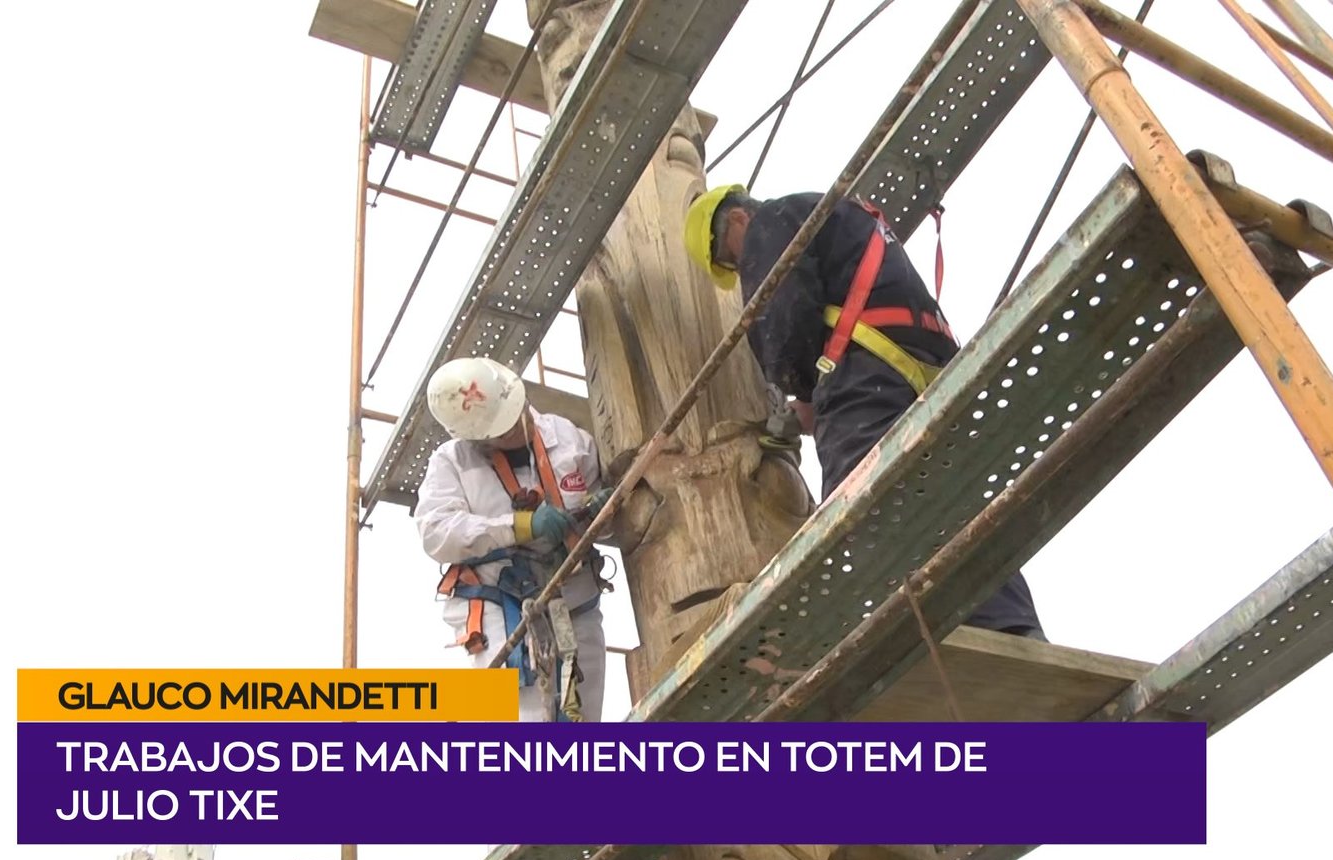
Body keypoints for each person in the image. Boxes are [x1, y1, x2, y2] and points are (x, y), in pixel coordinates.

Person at [684, 184, 1046, 641]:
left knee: (860, 504)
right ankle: (1013, 627)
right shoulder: (837, 216)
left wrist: (800, 390)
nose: (741, 268)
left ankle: (912, 640)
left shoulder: (771, 222)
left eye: (733, 260)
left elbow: (782, 316)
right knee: (953, 501)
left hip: (867, 371)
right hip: (918, 363)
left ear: (738, 220)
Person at [414, 356, 616, 721]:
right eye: (504, 431)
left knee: (583, 723)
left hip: (576, 601)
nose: (519, 428)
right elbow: (436, 531)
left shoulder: (568, 439)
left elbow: (609, 523)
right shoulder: (452, 462)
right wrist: (519, 526)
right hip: (502, 604)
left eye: (519, 414)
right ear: (478, 438)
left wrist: (604, 514)